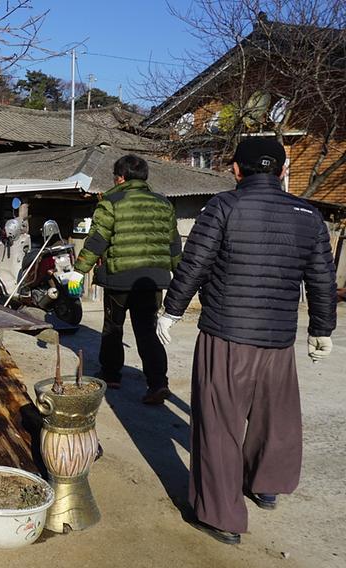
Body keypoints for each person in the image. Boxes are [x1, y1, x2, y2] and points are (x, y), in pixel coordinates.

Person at [156, 137, 336, 545]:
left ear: (236, 169)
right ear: (283, 171)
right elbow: (322, 279)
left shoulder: (224, 206)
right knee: (274, 418)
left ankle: (221, 515)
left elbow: (195, 263)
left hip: (226, 334)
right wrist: (321, 329)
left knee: (219, 425)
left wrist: (171, 310)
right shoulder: (308, 215)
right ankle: (265, 485)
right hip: (278, 340)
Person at [67, 154, 182, 405]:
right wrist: (182, 278)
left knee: (113, 328)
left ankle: (111, 375)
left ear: (120, 178)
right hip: (152, 281)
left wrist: (79, 270)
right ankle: (158, 383)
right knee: (147, 331)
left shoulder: (111, 202)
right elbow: (174, 244)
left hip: (119, 279)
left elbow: (98, 240)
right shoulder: (164, 204)